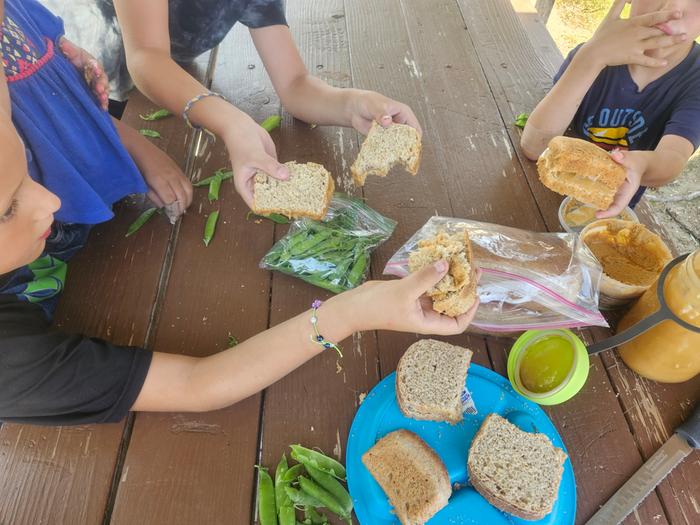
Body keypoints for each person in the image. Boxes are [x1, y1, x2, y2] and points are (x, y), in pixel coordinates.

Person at [1, 0, 477, 426]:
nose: (51, 199)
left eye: (29, 175)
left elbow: (295, 85)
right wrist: (352, 312)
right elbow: (197, 385)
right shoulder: (13, 365)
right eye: (6, 209)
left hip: (84, 201)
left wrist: (351, 103)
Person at [521, 0, 700, 218]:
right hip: (540, 191)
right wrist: (593, 55)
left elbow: (673, 156)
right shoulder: (596, 52)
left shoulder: (695, 81)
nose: (672, 8)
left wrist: (641, 165)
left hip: (606, 210)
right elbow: (534, 146)